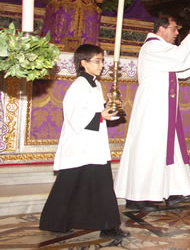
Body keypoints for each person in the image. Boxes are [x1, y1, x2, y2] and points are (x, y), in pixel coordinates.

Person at [115, 15, 190, 211]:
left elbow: (182, 68)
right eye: (174, 29)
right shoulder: (152, 47)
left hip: (164, 107)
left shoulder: (162, 49)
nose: (176, 33)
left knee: (168, 149)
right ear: (162, 29)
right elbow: (179, 57)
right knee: (149, 148)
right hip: (152, 108)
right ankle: (137, 196)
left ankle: (173, 191)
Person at [39, 44, 129, 240]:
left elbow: (94, 110)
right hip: (79, 145)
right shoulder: (78, 86)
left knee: (100, 184)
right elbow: (74, 116)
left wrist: (108, 109)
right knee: (68, 184)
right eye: (97, 61)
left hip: (93, 145)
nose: (102, 65)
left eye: (102, 61)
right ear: (84, 63)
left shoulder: (94, 84)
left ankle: (108, 225)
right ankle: (54, 222)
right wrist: (101, 115)